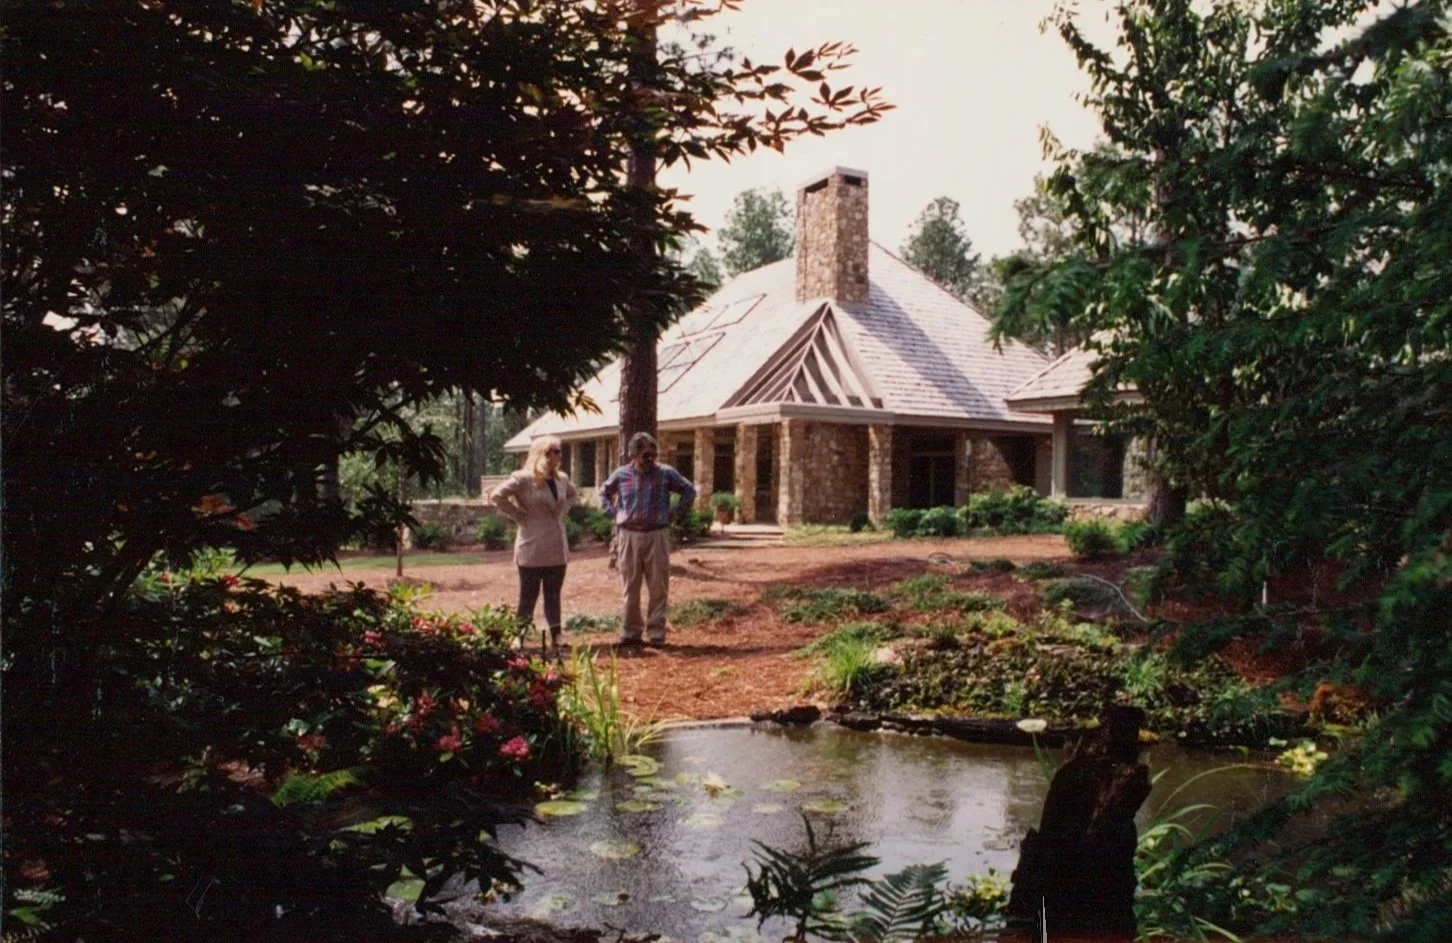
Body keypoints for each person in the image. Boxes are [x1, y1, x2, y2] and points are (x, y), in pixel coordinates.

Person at [598, 431, 696, 648]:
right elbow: (603, 492)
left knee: (658, 586)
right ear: (633, 454)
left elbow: (689, 491)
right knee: (630, 585)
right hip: (629, 535)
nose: (651, 459)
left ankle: (656, 633)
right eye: (645, 455)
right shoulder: (621, 475)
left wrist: (676, 512)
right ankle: (631, 632)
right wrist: (611, 512)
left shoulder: (666, 473)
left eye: (654, 454)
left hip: (657, 534)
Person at [490, 435, 577, 658]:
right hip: (531, 543)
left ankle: (557, 634)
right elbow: (497, 495)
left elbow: (572, 495)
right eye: (551, 452)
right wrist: (518, 514)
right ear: (539, 454)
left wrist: (562, 512)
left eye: (558, 451)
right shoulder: (523, 478)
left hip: (556, 544)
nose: (556, 456)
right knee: (528, 594)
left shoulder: (563, 479)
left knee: (553, 593)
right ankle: (518, 636)